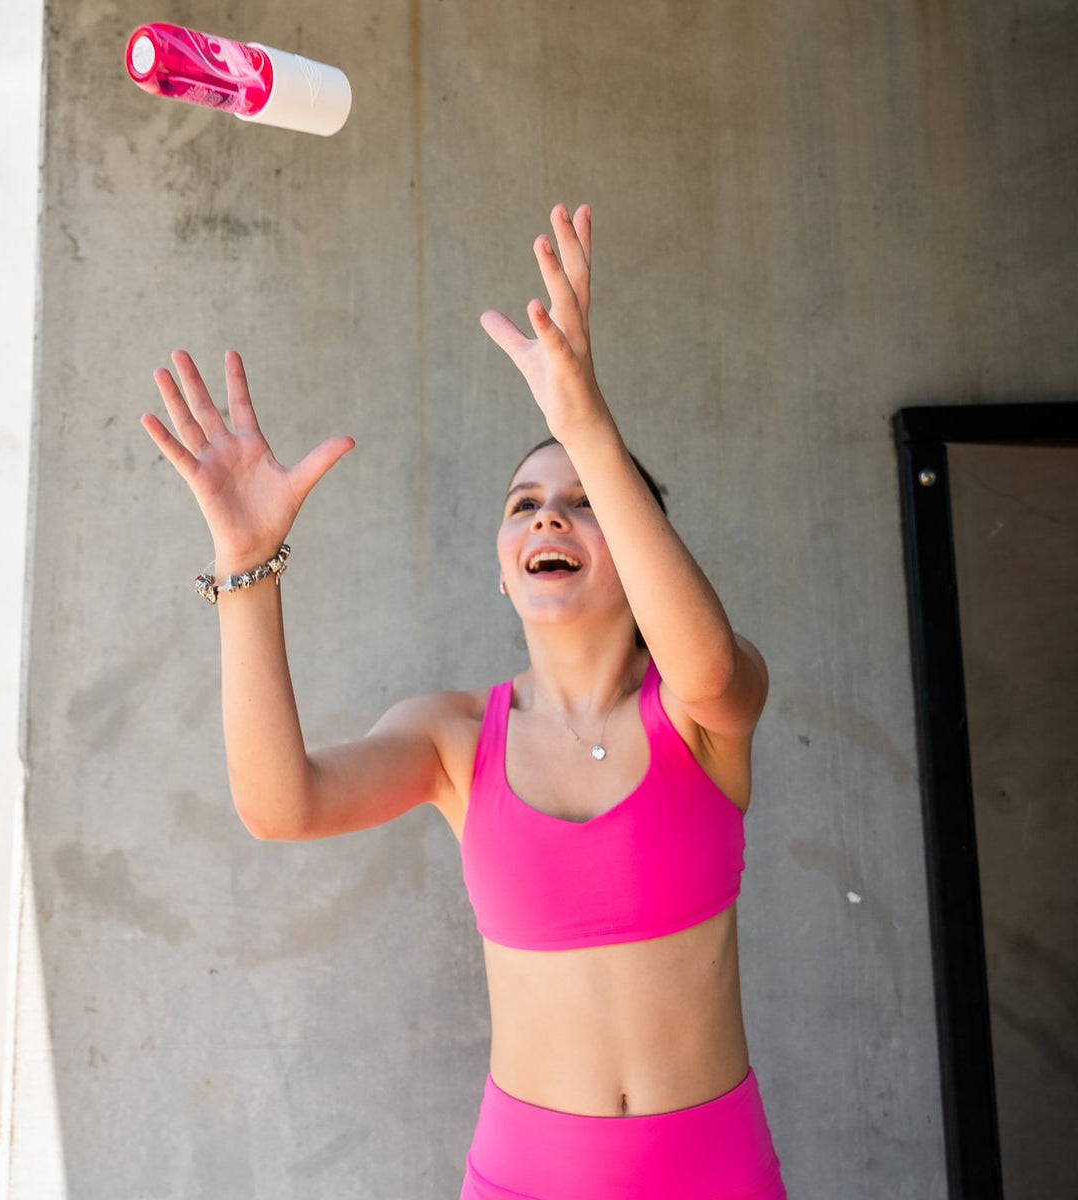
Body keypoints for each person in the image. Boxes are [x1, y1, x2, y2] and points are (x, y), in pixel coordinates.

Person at [141, 203, 786, 1200]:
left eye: (582, 500)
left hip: (712, 1177)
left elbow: (700, 665)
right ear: (502, 567)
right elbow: (282, 805)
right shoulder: (453, 739)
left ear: (644, 544)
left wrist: (586, 421)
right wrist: (248, 566)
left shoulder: (705, 711)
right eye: (524, 503)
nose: (549, 515)